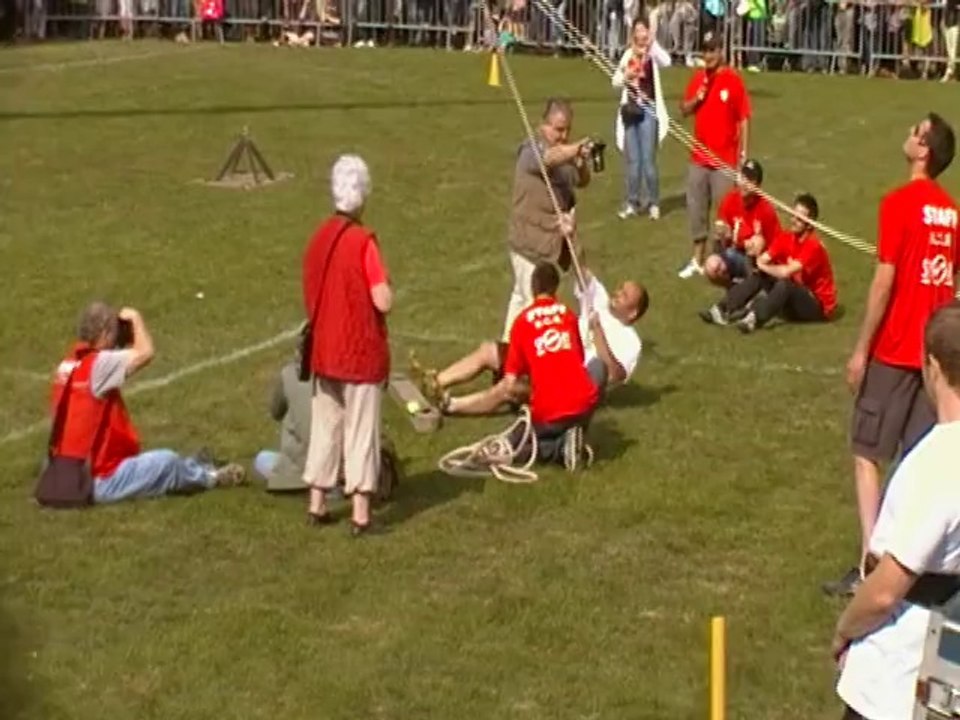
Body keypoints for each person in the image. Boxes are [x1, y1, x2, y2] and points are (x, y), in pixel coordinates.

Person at [825, 113, 959, 597]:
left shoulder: (898, 203)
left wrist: (861, 348)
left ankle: (871, 562)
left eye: (915, 130)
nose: (907, 132)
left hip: (896, 347)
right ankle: (915, 563)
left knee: (866, 454)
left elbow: (885, 280)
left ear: (924, 150)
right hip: (935, 357)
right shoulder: (952, 211)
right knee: (916, 460)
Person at [832, 300, 960, 720]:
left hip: (898, 674)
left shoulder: (938, 461)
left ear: (933, 368)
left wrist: (845, 628)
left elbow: (886, 590)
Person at [46, 302, 246, 504]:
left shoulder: (67, 366)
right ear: (106, 333)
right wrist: (134, 317)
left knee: (154, 463)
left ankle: (194, 465)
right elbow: (145, 352)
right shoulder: (99, 365)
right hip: (100, 480)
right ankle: (210, 477)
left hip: (67, 474)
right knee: (166, 462)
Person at [415, 261, 647, 417]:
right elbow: (579, 265)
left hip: (567, 385)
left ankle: (451, 406)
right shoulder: (600, 299)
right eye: (619, 288)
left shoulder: (631, 342)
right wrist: (571, 232)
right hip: (547, 354)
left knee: (509, 387)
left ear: (633, 312)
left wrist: (598, 336)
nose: (617, 293)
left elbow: (615, 375)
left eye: (624, 294)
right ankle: (436, 383)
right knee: (489, 350)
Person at [301, 154, 393, 536]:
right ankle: (359, 511)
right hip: (358, 351)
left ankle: (317, 502)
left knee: (326, 427)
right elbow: (382, 299)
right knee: (360, 430)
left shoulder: (319, 237)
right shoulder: (363, 242)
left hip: (325, 349)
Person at [502, 97, 593, 342]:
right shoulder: (531, 149)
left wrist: (581, 161)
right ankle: (527, 361)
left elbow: (581, 180)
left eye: (567, 130)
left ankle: (507, 355)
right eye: (558, 129)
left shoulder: (563, 156)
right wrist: (574, 148)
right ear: (544, 125)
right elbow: (547, 159)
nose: (563, 135)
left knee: (521, 301)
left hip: (549, 246)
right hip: (528, 243)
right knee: (536, 308)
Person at [501, 261, 602, 469]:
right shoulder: (568, 315)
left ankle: (559, 447)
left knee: (513, 448)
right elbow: (579, 360)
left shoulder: (521, 323)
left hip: (549, 411)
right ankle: (572, 437)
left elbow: (510, 385)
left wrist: (530, 393)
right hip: (582, 403)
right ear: (556, 288)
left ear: (532, 287)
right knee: (598, 367)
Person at [699, 193, 837, 331]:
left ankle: (754, 319)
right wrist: (757, 255)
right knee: (761, 275)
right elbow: (763, 259)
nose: (793, 220)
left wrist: (763, 265)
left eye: (799, 219)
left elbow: (785, 272)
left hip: (817, 307)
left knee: (784, 283)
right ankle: (722, 310)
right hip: (792, 298)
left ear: (809, 224)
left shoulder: (813, 246)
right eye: (793, 215)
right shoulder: (786, 237)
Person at [677, 30, 752, 280]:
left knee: (725, 214)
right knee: (697, 210)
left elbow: (743, 118)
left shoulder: (733, 80)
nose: (708, 55)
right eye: (705, 50)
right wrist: (697, 98)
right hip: (699, 157)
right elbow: (683, 109)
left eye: (713, 50)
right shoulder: (699, 78)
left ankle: (725, 260)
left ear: (721, 51)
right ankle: (697, 259)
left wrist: (743, 154)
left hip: (724, 160)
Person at [612, 15, 671, 222]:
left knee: (648, 161)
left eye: (643, 30)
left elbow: (667, 61)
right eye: (637, 30)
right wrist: (626, 75)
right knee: (633, 161)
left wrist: (652, 46)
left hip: (649, 111)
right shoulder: (628, 54)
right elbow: (615, 81)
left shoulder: (652, 55)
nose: (640, 34)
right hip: (630, 110)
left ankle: (654, 202)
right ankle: (632, 202)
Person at [702, 159, 781, 288]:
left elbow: (778, 243)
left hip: (757, 262)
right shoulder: (730, 199)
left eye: (750, 180)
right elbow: (720, 232)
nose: (745, 183)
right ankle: (733, 289)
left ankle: (756, 290)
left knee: (756, 243)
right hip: (734, 254)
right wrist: (721, 235)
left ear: (758, 186)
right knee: (711, 266)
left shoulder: (766, 209)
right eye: (743, 177)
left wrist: (762, 249)